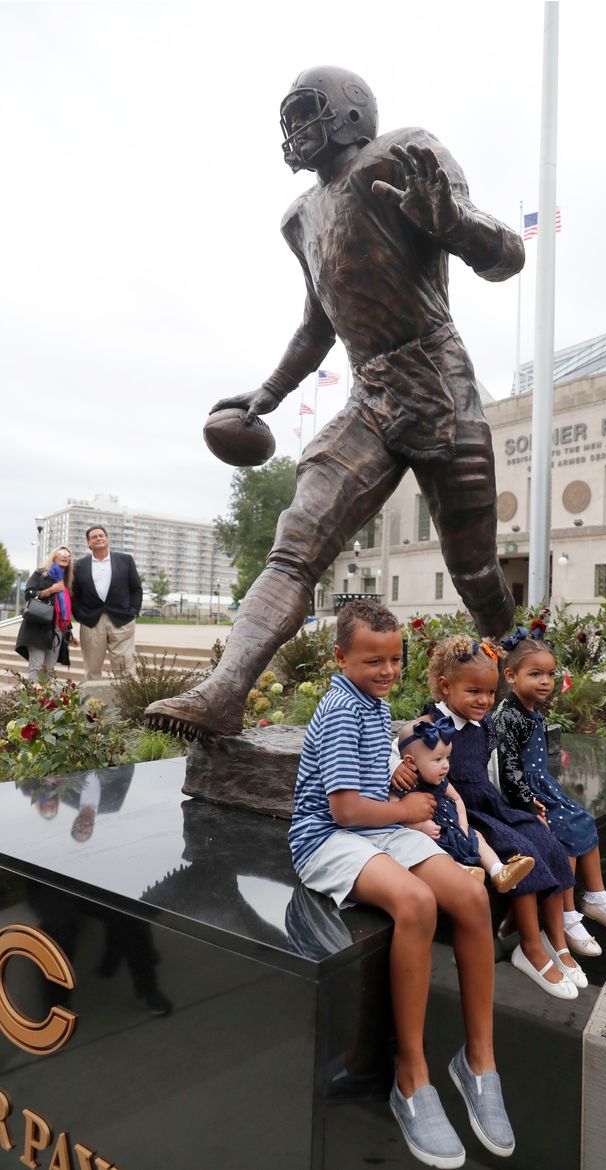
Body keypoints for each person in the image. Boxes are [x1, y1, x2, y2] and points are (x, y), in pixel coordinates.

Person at [145, 65, 525, 740]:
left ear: (349, 112)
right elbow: (319, 323)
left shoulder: (404, 153)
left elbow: (507, 256)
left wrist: (456, 225)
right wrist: (266, 395)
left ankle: (520, 678)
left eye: (305, 111)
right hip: (371, 392)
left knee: (472, 565)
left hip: (438, 378)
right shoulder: (301, 218)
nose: (293, 129)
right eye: (288, 117)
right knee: (295, 544)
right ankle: (224, 692)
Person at [289, 600, 515, 1167]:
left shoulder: (372, 703)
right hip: (330, 838)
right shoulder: (342, 710)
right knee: (416, 904)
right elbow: (341, 811)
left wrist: (401, 777)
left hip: (379, 825)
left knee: (469, 894)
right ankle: (412, 1077)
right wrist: (407, 808)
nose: (388, 671)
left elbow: (378, 764)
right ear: (340, 658)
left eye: (395, 659)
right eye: (372, 661)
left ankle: (479, 1060)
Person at [396, 634, 588, 1000]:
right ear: (445, 686)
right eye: (473, 692)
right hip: (460, 810)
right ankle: (529, 949)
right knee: (519, 848)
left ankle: (556, 942)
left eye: (490, 692)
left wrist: (529, 804)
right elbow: (400, 754)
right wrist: (400, 780)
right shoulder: (430, 723)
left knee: (544, 836)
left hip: (489, 800)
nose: (484, 701)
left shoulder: (487, 725)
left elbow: (500, 769)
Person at [494, 626, 606, 955]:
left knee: (584, 818)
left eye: (550, 674)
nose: (545, 681)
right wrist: (528, 804)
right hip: (522, 795)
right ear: (511, 676)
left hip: (541, 787)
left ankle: (596, 898)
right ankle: (567, 915)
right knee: (564, 830)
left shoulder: (533, 711)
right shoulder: (508, 715)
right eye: (535, 674)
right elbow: (508, 768)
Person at [391, 715, 536, 893]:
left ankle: (498, 870)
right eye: (438, 760)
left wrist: (464, 825)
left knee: (478, 837)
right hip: (433, 833)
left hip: (454, 827)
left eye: (447, 758)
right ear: (411, 762)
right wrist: (420, 826)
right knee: (433, 850)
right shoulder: (404, 786)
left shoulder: (441, 781)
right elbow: (397, 815)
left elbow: (458, 799)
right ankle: (461, 870)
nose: (445, 766)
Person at [71, 525, 143, 680]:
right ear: (88, 543)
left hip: (122, 619)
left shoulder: (125, 560)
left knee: (125, 668)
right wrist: (80, 616)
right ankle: (93, 703)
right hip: (91, 622)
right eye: (94, 537)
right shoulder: (79, 565)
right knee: (92, 668)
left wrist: (133, 611)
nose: (98, 538)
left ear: (107, 539)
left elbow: (136, 588)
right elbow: (74, 595)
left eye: (101, 535)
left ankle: (128, 702)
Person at [15, 546, 78, 682]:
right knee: (36, 668)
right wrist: (51, 590)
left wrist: (69, 632)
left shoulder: (67, 580)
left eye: (68, 554)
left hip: (58, 630)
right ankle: (34, 701)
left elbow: (63, 609)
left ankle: (47, 702)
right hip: (38, 627)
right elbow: (29, 595)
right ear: (54, 556)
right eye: (62, 553)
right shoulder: (40, 574)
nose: (65, 556)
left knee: (49, 670)